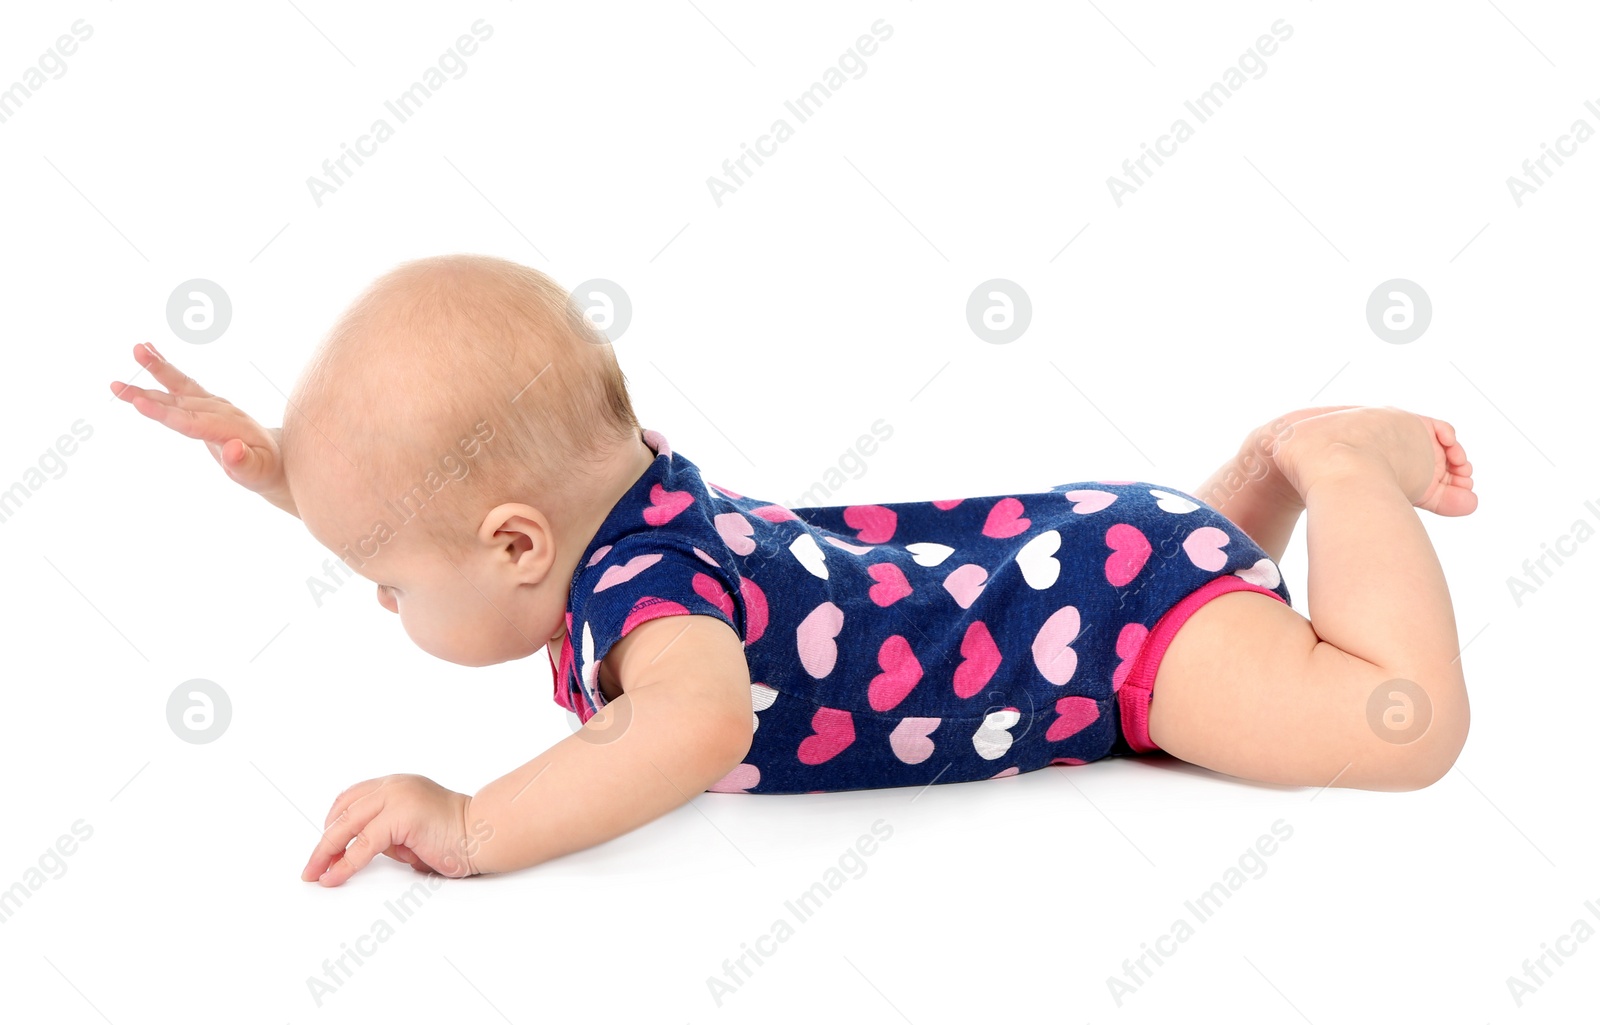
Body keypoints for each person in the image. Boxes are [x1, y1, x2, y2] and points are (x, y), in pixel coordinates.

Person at [110, 254, 1475, 886]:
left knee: (1397, 726)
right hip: (1092, 544)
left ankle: (1334, 463)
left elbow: (697, 719)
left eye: (392, 581)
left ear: (519, 544)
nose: (382, 598)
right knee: (1227, 588)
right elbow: (450, 480)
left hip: (1118, 636)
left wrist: (474, 822)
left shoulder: (652, 606)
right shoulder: (624, 484)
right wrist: (286, 467)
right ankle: (1260, 489)